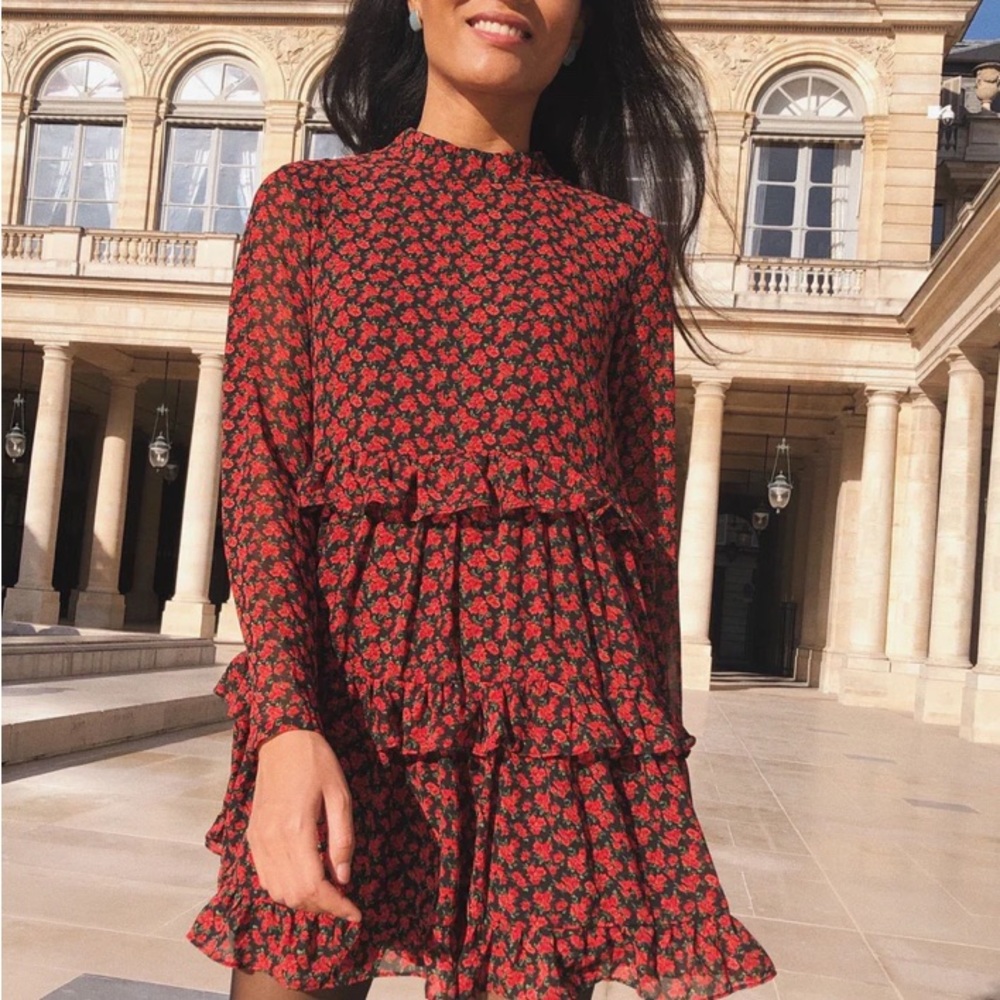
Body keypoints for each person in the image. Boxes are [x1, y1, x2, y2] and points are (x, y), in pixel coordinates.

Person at [188, 1, 778, 998]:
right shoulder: (306, 211)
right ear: (412, 3)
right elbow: (261, 474)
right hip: (345, 701)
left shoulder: (617, 251)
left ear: (582, 28)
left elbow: (640, 545)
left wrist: (641, 792)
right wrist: (283, 724)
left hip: (550, 732)